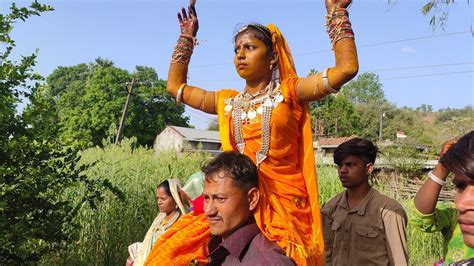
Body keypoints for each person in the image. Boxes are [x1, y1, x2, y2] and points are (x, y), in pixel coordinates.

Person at [146, 0, 359, 264]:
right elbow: (175, 87)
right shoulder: (227, 102)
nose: (240, 54)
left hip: (284, 207)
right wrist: (186, 39)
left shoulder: (290, 93)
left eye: (249, 47)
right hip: (231, 199)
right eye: (236, 49)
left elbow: (346, 69)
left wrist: (337, 14)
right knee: (168, 250)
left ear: (271, 57)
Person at [321, 138, 409, 265]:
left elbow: (399, 261)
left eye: (350, 165)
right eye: (340, 165)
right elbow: (326, 256)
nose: (342, 170)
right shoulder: (331, 207)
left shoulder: (389, 211)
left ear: (368, 169)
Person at [202, 151, 294, 265]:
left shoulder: (267, 261)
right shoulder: (209, 243)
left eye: (220, 199)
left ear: (252, 199)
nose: (208, 210)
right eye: (206, 198)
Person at [412, 131, 474, 264]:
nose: (462, 203)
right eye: (461, 186)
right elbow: (421, 218)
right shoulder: (453, 217)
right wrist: (442, 166)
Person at [127, 179, 190, 266]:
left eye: (163, 198)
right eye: (158, 198)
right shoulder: (160, 217)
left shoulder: (182, 221)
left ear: (176, 199)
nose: (159, 202)